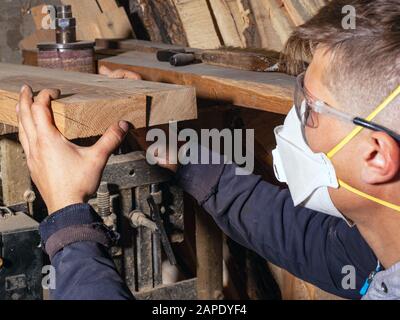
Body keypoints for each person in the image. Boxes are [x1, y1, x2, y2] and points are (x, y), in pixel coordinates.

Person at [16, 0, 399, 300]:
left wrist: (68, 219)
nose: (294, 122)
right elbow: (306, 239)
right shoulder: (379, 251)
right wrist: (174, 147)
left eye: (310, 109)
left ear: (377, 156)